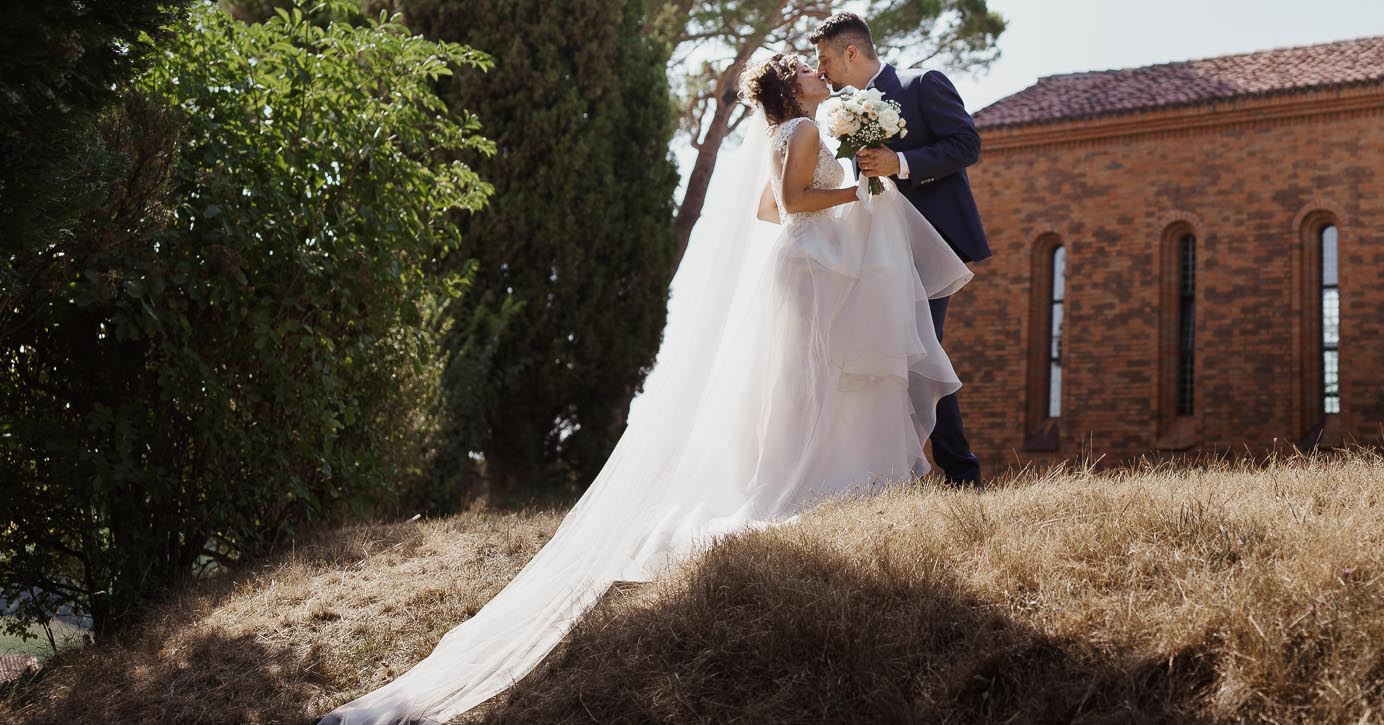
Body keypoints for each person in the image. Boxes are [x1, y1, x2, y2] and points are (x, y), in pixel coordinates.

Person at [316, 52, 970, 724]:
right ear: (788, 85)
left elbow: (769, 209)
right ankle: (804, 477)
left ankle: (799, 468)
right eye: (805, 67)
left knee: (801, 383)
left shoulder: (784, 133)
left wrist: (826, 209)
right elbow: (798, 202)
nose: (815, 71)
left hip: (796, 262)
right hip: (807, 270)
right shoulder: (804, 131)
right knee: (807, 381)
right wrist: (855, 194)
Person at [811, 11, 991, 488]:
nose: (821, 70)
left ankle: (959, 472)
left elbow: (967, 144)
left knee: (918, 349)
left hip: (933, 243)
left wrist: (903, 162)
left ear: (851, 52)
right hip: (880, 249)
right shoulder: (843, 112)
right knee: (899, 351)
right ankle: (902, 471)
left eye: (825, 58)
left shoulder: (922, 84)